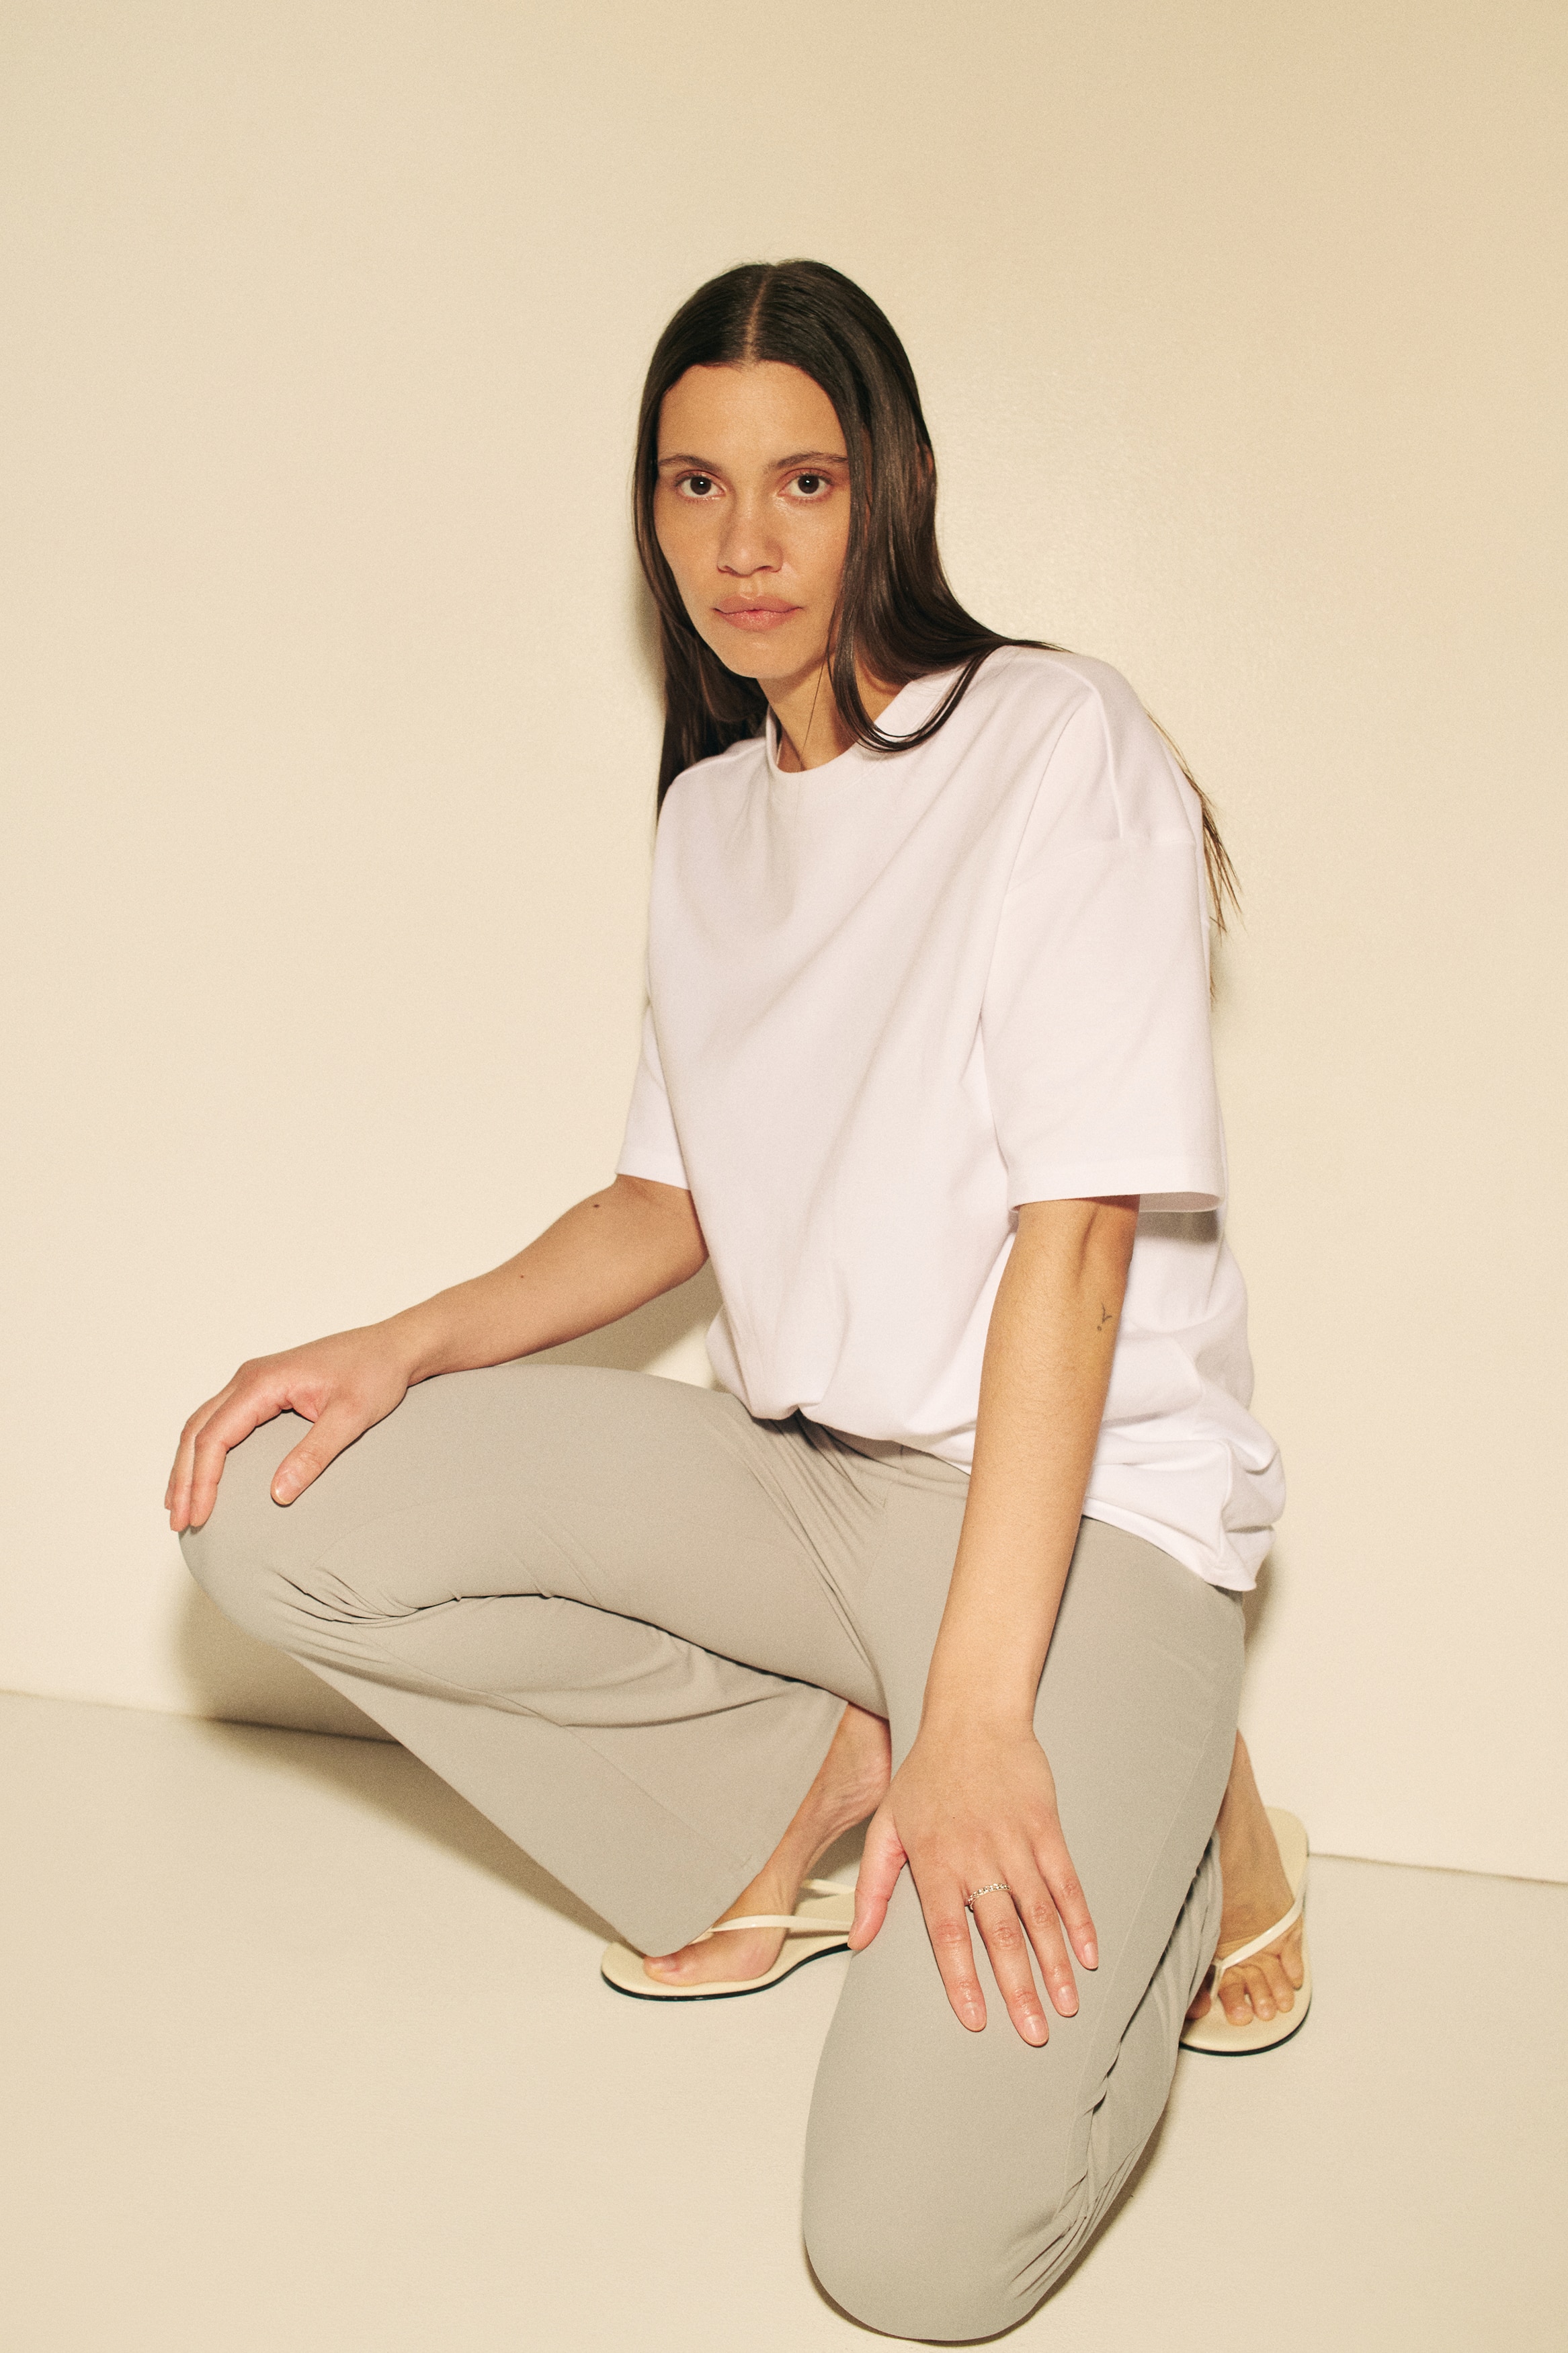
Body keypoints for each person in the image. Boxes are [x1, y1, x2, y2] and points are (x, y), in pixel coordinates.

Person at [169, 260, 1305, 2342]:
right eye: (696, 483)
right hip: (814, 1488)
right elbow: (662, 1204)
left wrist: (986, 1720)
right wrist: (394, 1341)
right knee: (274, 1502)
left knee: (910, 2255)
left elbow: (1075, 1239)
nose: (745, 542)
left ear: (896, 486)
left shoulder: (1058, 741)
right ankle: (808, 1773)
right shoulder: (709, 817)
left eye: (803, 478)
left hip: (1083, 1528)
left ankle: (1195, 1825)